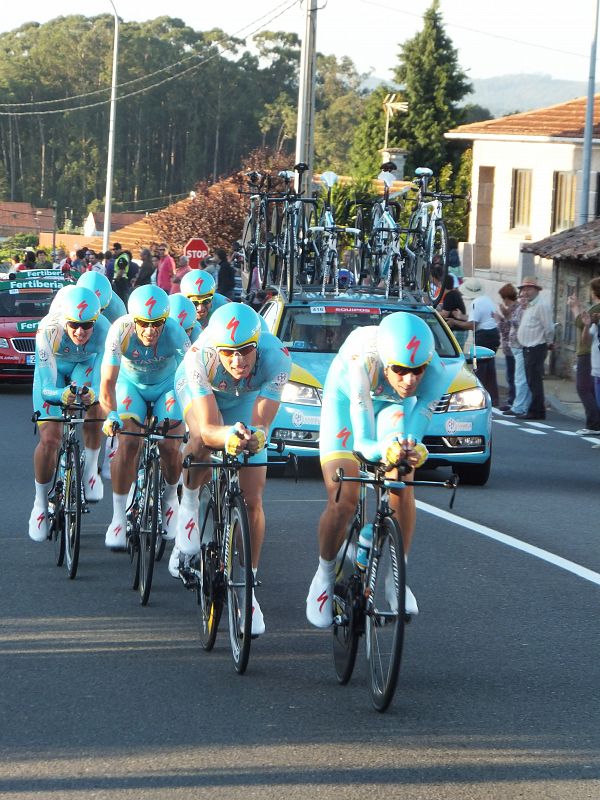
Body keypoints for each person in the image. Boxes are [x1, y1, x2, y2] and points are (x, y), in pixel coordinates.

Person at [306, 312, 458, 627]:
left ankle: (395, 578)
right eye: (400, 370)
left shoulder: (438, 374)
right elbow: (362, 441)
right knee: (344, 497)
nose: (410, 380)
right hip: (347, 402)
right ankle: (323, 574)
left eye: (417, 371)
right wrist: (384, 449)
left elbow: (414, 432)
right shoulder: (362, 361)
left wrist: (412, 449)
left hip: (391, 408)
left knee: (403, 474)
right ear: (387, 363)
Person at [171, 303, 291, 636]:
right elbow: (210, 428)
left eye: (245, 352)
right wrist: (227, 435)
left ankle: (248, 589)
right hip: (203, 395)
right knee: (200, 443)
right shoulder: (200, 357)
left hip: (244, 400)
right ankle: (190, 504)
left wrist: (253, 438)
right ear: (218, 350)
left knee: (253, 499)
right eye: (230, 353)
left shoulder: (278, 358)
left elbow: (262, 422)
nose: (238, 360)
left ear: (257, 345)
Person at [99, 284, 190, 550]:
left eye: (157, 323)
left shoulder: (175, 332)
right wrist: (111, 414)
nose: (150, 330)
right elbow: (107, 381)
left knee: (170, 446)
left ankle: (171, 498)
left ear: (165, 320)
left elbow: (192, 377)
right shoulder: (120, 331)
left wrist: (191, 418)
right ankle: (118, 517)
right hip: (131, 386)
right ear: (133, 319)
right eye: (144, 323)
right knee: (128, 443)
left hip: (167, 387)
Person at [28, 287, 111, 541]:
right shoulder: (47, 329)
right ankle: (40, 504)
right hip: (53, 370)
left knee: (96, 408)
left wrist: (92, 395)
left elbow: (101, 381)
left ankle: (89, 471)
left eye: (87, 325)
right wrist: (59, 394)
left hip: (84, 367)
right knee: (50, 439)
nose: (80, 331)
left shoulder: (106, 331)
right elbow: (45, 386)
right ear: (65, 320)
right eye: (74, 324)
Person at [450, 278, 500, 407]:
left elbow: (472, 324)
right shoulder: (486, 300)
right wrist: (461, 317)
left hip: (484, 336)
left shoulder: (476, 303)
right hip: (493, 334)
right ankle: (493, 398)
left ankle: (478, 399)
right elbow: (476, 318)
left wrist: (455, 322)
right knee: (489, 368)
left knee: (480, 369)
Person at [516, 276, 554, 420]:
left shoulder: (541, 305)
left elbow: (549, 327)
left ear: (536, 290)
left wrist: (549, 342)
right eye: (524, 289)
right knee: (531, 380)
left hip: (536, 346)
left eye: (529, 289)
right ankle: (536, 409)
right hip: (528, 347)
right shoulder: (531, 305)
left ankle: (537, 411)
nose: (526, 292)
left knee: (534, 380)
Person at [567, 279, 600, 435]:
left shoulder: (597, 307)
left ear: (594, 291)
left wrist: (575, 308)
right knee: (591, 389)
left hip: (588, 353)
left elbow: (581, 323)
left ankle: (594, 423)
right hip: (589, 352)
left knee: (583, 387)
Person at [495, 283, 518, 410]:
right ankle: (512, 400)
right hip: (510, 347)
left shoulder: (513, 310)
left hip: (512, 347)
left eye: (503, 298)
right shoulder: (516, 308)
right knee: (512, 375)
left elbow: (507, 330)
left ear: (507, 298)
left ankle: (512, 401)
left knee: (512, 375)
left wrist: (499, 319)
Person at [438, 274, 467, 349]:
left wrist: (433, 313)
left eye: (440, 283)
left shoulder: (450, 296)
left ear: (443, 284)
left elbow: (444, 314)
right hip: (460, 330)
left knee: (454, 352)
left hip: (457, 330)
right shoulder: (454, 293)